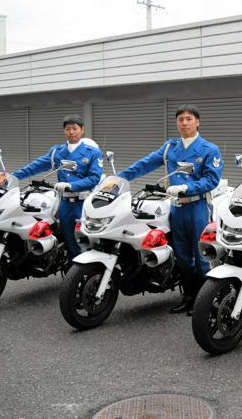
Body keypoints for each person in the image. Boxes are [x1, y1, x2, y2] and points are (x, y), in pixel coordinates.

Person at [118, 105, 223, 315]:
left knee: (201, 255)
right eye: (180, 119)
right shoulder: (170, 148)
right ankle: (188, 297)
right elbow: (145, 164)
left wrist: (187, 188)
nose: (184, 123)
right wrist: (120, 177)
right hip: (176, 208)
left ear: (197, 122)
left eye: (189, 119)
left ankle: (203, 302)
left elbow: (212, 180)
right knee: (182, 255)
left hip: (197, 207)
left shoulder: (209, 149)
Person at [12, 114, 103, 262]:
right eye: (68, 129)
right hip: (65, 204)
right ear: (64, 131)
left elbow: (94, 178)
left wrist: (71, 186)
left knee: (88, 241)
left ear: (82, 130)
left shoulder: (92, 152)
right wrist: (12, 176)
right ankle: (71, 269)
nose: (71, 132)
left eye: (75, 128)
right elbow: (35, 166)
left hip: (84, 204)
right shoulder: (57, 152)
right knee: (69, 240)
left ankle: (91, 269)